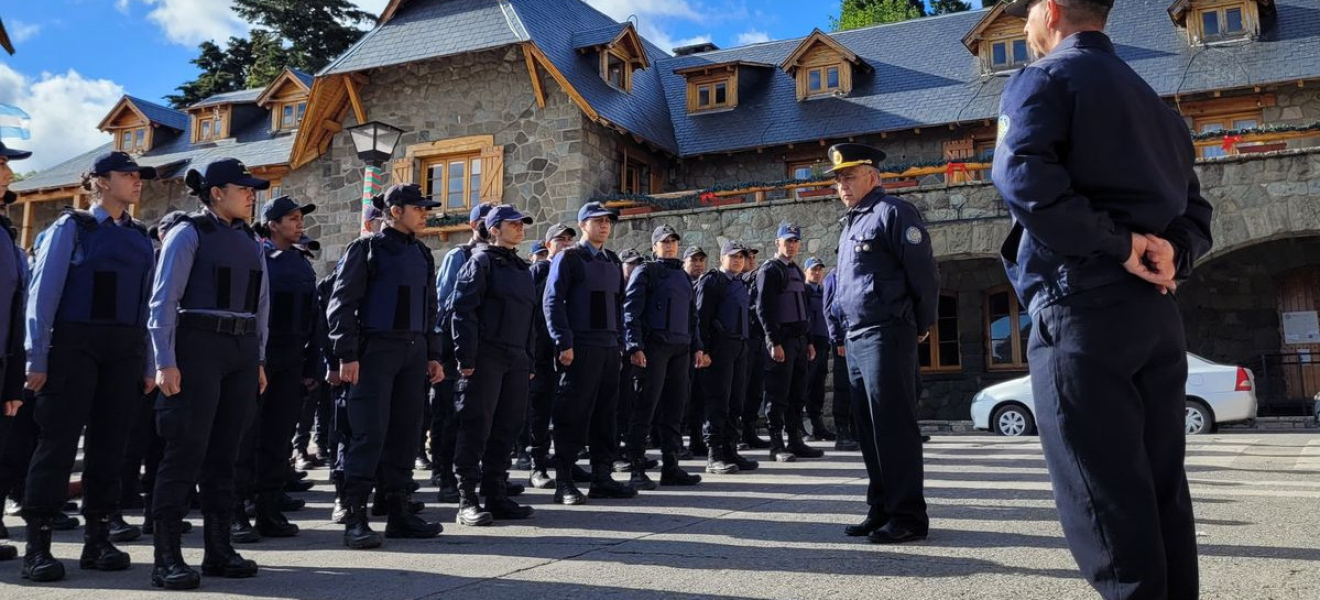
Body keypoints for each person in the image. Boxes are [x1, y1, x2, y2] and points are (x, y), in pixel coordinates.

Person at [993, 0, 1213, 596]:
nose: (1023, 27)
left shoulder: (1041, 78)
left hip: (1081, 311)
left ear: (1051, 11)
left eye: (1025, 14)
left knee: (1106, 505)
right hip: (1156, 315)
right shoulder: (1156, 105)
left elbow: (1022, 181)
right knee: (1162, 491)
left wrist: (1117, 245)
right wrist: (1173, 250)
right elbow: (1196, 211)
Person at [19, 152, 157, 582]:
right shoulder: (71, 228)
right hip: (73, 346)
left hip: (125, 349)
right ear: (100, 181)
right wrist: (35, 356)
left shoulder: (139, 236)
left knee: (111, 446)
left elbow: (148, 303)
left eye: (139, 176)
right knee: (57, 444)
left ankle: (98, 538)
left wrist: (150, 362)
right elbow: (42, 296)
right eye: (127, 175)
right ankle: (38, 546)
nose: (137, 182)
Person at [148, 158, 271, 589]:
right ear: (217, 192)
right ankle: (166, 557)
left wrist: (257, 359)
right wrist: (164, 360)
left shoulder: (252, 241)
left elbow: (261, 305)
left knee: (226, 453)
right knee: (186, 449)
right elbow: (163, 300)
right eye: (244, 187)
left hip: (240, 350)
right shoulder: (188, 233)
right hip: (197, 345)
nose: (251, 194)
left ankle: (219, 549)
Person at [828, 142, 938, 545]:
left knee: (893, 426)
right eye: (838, 179)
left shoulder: (893, 213)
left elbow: (923, 273)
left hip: (887, 332)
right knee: (869, 429)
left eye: (849, 176)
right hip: (857, 336)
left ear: (873, 176)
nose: (842, 185)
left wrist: (922, 323)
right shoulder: (852, 223)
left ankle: (908, 515)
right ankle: (882, 507)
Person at [328, 184, 446, 548]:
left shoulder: (422, 254)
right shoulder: (366, 250)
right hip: (375, 351)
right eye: (419, 208)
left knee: (405, 433)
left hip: (413, 352)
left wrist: (432, 353)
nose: (425, 213)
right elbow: (342, 303)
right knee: (368, 434)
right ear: (395, 211)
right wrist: (346, 354)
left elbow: (430, 308)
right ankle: (355, 517)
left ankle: (399, 512)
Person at [231, 196, 320, 543]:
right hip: (260, 357)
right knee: (245, 438)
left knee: (278, 437)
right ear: (272, 224)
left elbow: (314, 317)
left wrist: (311, 363)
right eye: (292, 219)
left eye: (300, 218)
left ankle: (269, 508)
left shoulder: (300, 262)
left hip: (292, 359)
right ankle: (237, 510)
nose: (299, 224)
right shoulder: (257, 258)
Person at [450, 205, 538, 526]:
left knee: (507, 427)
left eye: (522, 223)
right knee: (477, 426)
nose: (521, 228)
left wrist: (528, 357)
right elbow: (463, 311)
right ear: (495, 229)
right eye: (513, 224)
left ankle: (496, 494)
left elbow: (530, 318)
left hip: (516, 358)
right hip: (486, 356)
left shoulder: (521, 268)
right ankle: (466, 500)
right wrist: (466, 357)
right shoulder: (481, 262)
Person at [543, 202, 636, 505]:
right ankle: (565, 481)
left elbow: (621, 306)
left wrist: (621, 341)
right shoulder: (569, 258)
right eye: (597, 221)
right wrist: (563, 341)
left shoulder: (611, 260)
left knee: (606, 416)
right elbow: (553, 301)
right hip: (581, 347)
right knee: (573, 414)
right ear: (583, 225)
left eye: (608, 221)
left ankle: (602, 476)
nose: (604, 226)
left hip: (609, 348)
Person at [622, 226, 706, 490]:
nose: (669, 245)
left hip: (680, 349)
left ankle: (671, 466)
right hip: (654, 348)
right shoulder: (646, 272)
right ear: (654, 246)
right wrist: (634, 346)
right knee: (644, 408)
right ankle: (637, 469)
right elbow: (630, 312)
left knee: (675, 409)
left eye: (673, 241)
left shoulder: (682, 276)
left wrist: (698, 347)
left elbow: (693, 317)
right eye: (664, 242)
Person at [429, 203, 493, 503]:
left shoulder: (498, 259)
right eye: (483, 219)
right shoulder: (460, 255)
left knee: (478, 416)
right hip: (454, 349)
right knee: (449, 414)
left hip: (486, 348)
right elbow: (446, 303)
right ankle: (444, 476)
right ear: (473, 224)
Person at [755, 224, 822, 463]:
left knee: (797, 393)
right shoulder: (770, 270)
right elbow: (763, 309)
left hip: (800, 342)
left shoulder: (795, 270)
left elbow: (803, 311)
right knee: (777, 394)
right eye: (787, 241)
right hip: (781, 341)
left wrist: (810, 342)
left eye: (795, 241)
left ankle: (795, 440)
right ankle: (776, 445)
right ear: (777, 243)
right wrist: (773, 341)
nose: (791, 245)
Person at [695, 241, 760, 475]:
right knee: (717, 401)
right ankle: (715, 454)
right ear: (722, 258)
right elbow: (701, 318)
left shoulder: (740, 284)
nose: (738, 260)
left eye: (741, 257)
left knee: (736, 402)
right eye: (733, 257)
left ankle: (731, 450)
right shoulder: (713, 281)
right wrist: (703, 349)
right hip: (719, 348)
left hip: (740, 347)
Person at [527, 224, 577, 489]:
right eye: (560, 240)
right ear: (548, 246)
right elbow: (532, 315)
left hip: (568, 350)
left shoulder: (575, 269)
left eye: (570, 240)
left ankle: (566, 462)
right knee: (541, 409)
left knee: (568, 409)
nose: (566, 244)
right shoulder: (539, 271)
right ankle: (538, 465)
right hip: (543, 352)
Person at [0, 141, 31, 564]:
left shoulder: (5, 233)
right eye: (2, 163)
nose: (8, 172)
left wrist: (12, 380)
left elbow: (14, 307)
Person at [822, 267, 859, 451]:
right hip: (844, 341)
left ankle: (857, 430)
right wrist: (837, 340)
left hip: (861, 338)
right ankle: (842, 431)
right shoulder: (834, 276)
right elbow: (829, 310)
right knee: (843, 386)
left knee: (860, 387)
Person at [801, 257, 836, 442]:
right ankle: (799, 427)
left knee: (818, 388)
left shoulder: (823, 292)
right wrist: (808, 343)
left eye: (819, 270)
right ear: (806, 271)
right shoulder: (804, 292)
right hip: (810, 343)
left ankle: (818, 426)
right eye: (813, 270)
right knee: (804, 386)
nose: (816, 273)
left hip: (823, 342)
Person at [738, 248, 769, 450]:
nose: (751, 260)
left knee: (756, 389)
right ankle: (738, 434)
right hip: (742, 341)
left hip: (757, 339)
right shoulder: (737, 283)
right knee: (740, 389)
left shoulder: (756, 281)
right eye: (747, 257)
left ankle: (749, 431)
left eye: (753, 257)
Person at [680, 245, 708, 456]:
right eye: (693, 260)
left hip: (699, 347)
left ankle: (697, 439)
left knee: (699, 396)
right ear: (684, 262)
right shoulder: (680, 282)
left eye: (701, 260)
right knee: (680, 398)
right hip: (680, 348)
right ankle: (676, 442)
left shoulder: (707, 283)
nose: (698, 264)